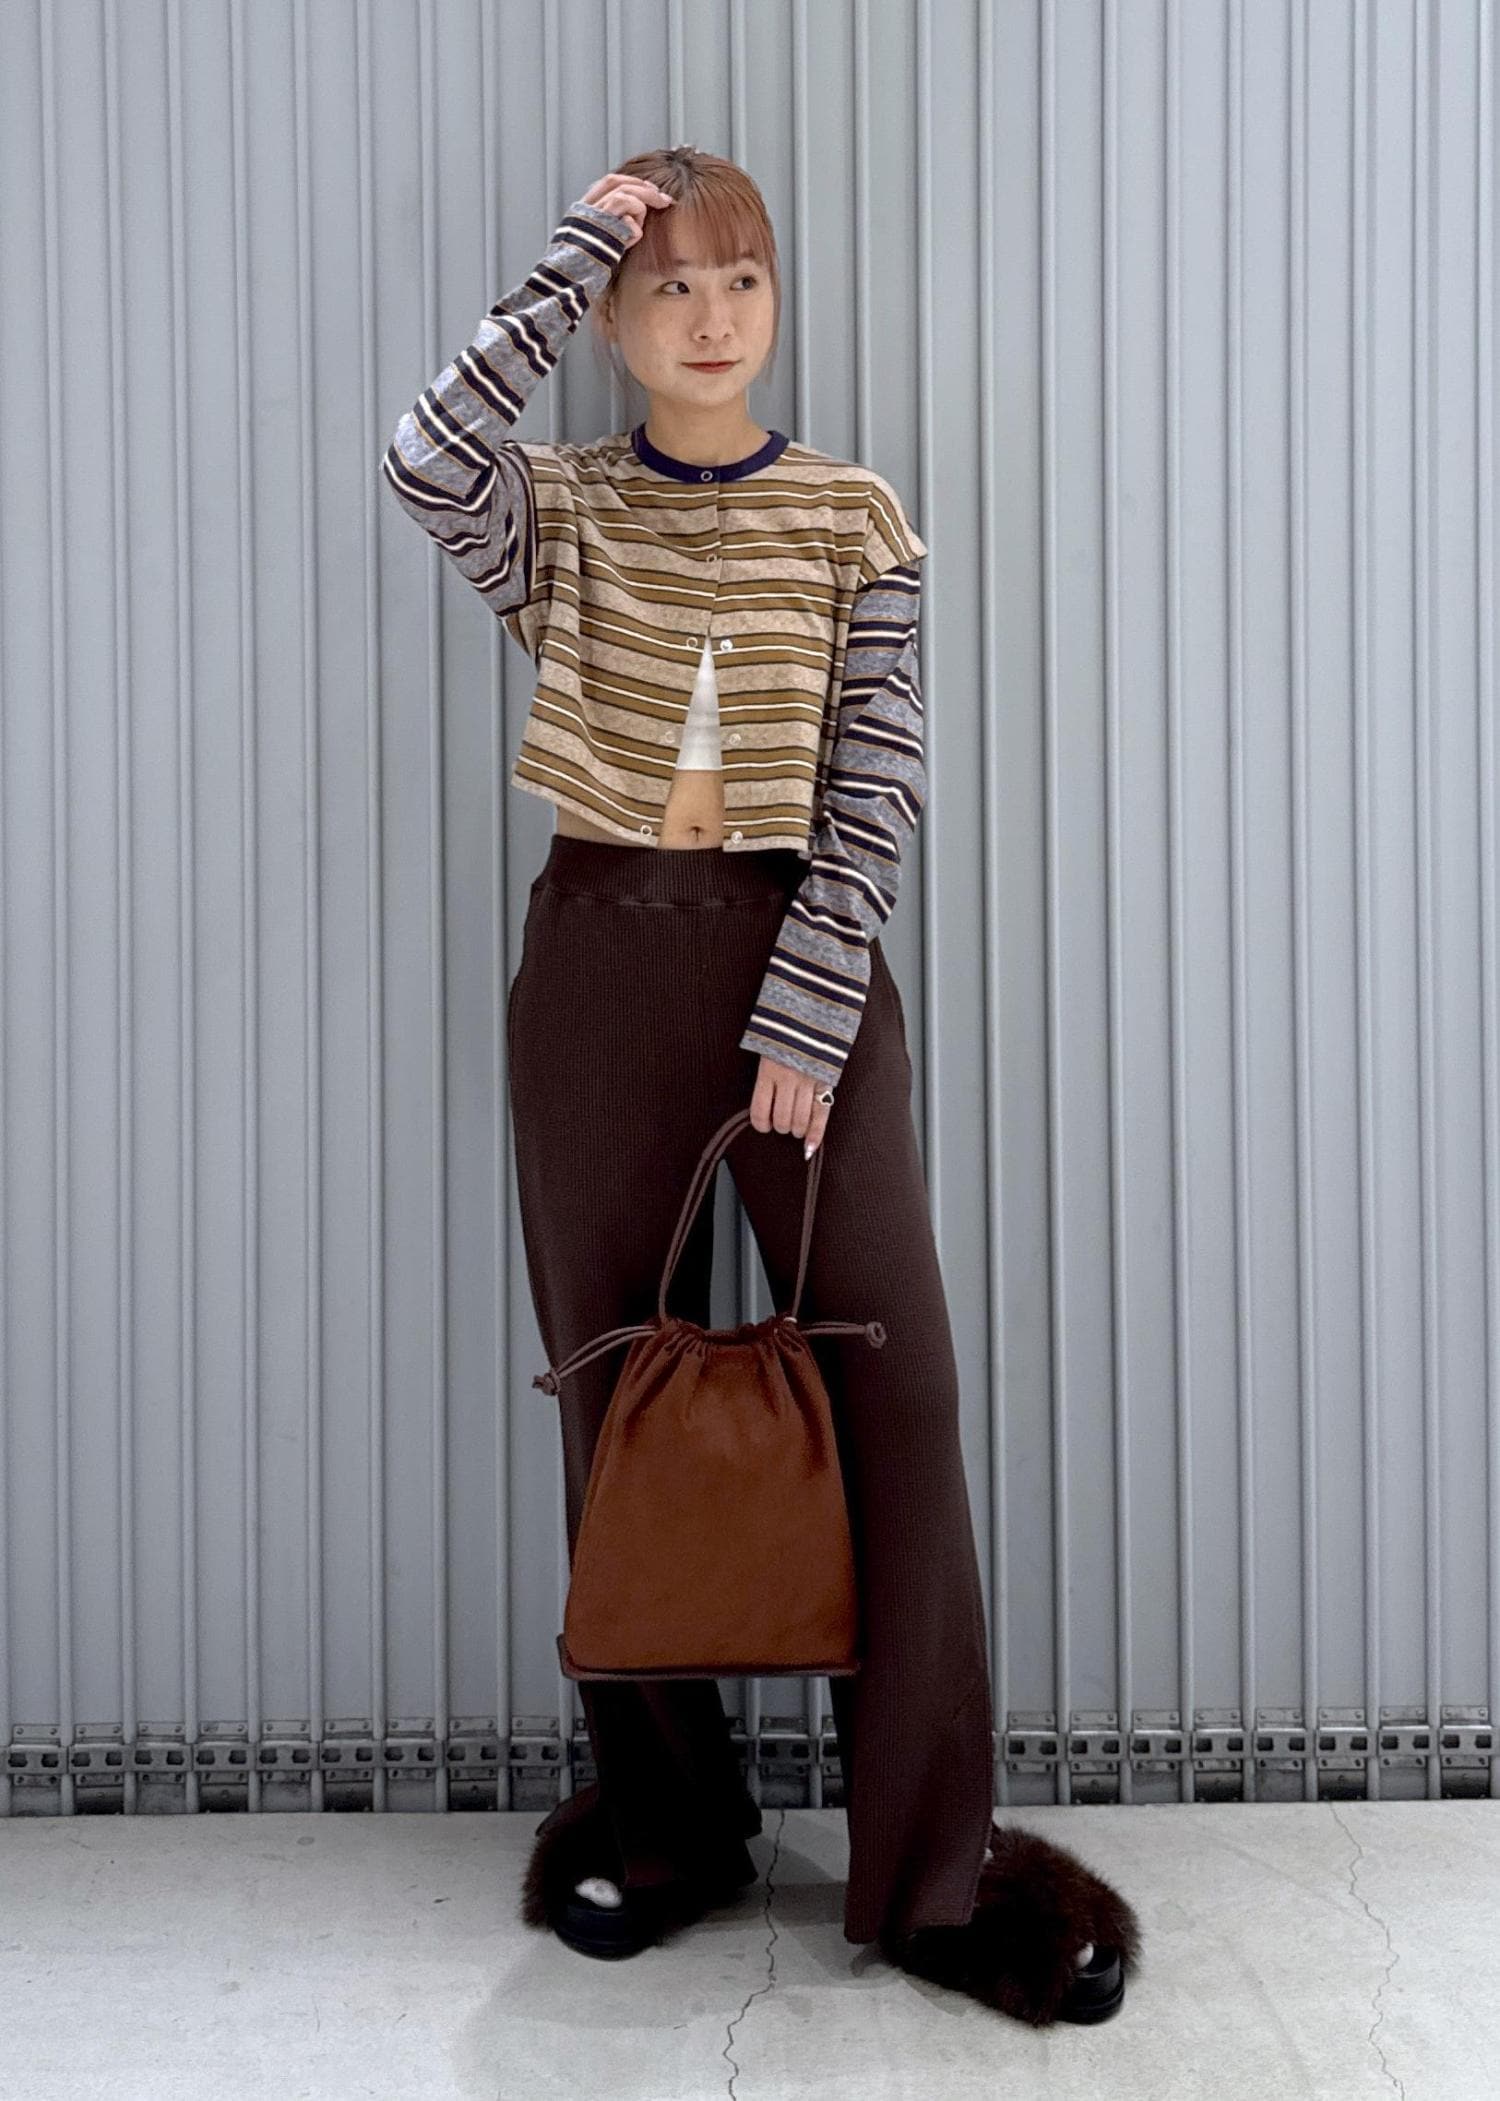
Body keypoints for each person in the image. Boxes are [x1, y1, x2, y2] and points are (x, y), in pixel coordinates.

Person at [382, 145, 1139, 2025]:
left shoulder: (852, 513)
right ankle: (668, 1819)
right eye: (670, 287)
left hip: (800, 950)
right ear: (613, 321)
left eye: (742, 282)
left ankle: (936, 1865)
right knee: (619, 1389)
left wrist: (806, 1013)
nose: (712, 320)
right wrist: (576, 246)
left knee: (898, 1384)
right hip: (597, 957)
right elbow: (425, 454)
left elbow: (876, 779)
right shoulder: (560, 508)